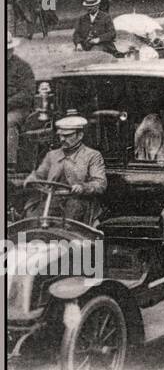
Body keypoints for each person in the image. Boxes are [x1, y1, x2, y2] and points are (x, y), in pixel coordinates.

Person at [23, 115, 107, 226]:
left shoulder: (92, 155)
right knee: (32, 220)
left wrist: (83, 187)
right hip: (52, 199)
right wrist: (31, 179)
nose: (62, 139)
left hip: (79, 201)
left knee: (68, 223)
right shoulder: (52, 155)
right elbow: (39, 175)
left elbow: (100, 184)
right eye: (60, 136)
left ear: (80, 135)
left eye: (67, 136)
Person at [7, 34, 36, 164]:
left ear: (11, 50)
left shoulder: (23, 67)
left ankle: (9, 165)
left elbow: (27, 94)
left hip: (17, 109)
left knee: (8, 122)